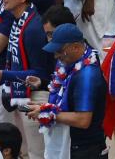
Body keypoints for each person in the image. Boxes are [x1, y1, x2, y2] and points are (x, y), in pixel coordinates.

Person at [0, 0, 52, 158]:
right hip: (17, 91)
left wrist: (3, 75)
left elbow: (40, 74)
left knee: (35, 152)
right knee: (22, 151)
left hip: (34, 97)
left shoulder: (33, 28)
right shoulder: (17, 19)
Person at [26, 23, 106, 158]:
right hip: (74, 145)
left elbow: (83, 120)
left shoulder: (87, 76)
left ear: (75, 47)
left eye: (59, 51)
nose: (56, 56)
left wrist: (48, 112)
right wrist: (44, 107)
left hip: (84, 150)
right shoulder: (70, 64)